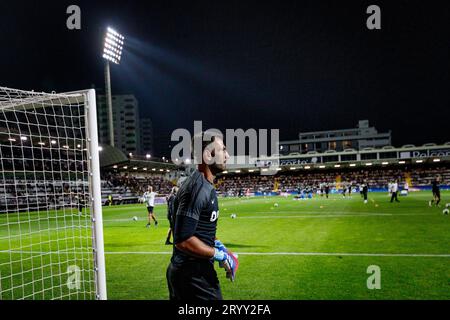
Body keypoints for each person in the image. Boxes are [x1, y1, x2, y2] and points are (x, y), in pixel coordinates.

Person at [166, 132, 237, 301]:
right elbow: (183, 240)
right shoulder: (197, 189)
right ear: (207, 155)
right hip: (192, 277)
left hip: (193, 273)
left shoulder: (203, 186)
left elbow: (199, 230)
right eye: (223, 150)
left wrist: (220, 247)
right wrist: (217, 254)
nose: (227, 155)